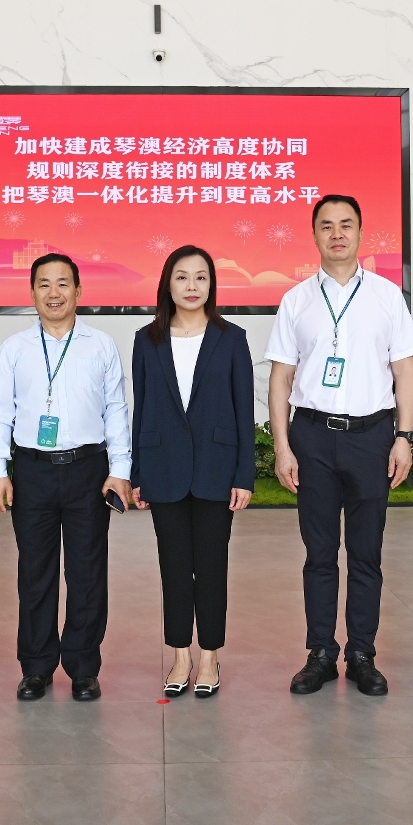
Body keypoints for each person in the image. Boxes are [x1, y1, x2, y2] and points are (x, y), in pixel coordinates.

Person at [265, 195, 413, 697]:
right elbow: (280, 379)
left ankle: (361, 654)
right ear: (314, 234)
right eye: (327, 225)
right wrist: (283, 447)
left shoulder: (386, 296)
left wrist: (403, 437)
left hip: (371, 437)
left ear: (360, 233)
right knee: (319, 554)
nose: (337, 234)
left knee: (366, 552)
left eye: (346, 225)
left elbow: (405, 372)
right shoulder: (296, 300)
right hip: (312, 436)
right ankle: (320, 653)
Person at [0, 253, 132, 702]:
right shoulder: (14, 349)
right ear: (32, 292)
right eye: (44, 284)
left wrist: (119, 471)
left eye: (63, 283)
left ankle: (83, 667)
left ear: (78, 291)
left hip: (88, 470)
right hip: (32, 471)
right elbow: (0, 415)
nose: (54, 292)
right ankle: (36, 667)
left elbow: (116, 410)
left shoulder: (100, 345)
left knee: (87, 573)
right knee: (35, 574)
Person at [131, 245, 255, 699]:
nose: (191, 286)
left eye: (201, 277)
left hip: (216, 470)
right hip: (163, 467)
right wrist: (138, 472)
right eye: (182, 277)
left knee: (212, 567)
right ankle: (180, 655)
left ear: (211, 285)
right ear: (168, 284)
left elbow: (244, 410)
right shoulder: (147, 339)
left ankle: (209, 657)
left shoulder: (231, 338)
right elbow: (141, 408)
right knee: (174, 568)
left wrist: (244, 475)